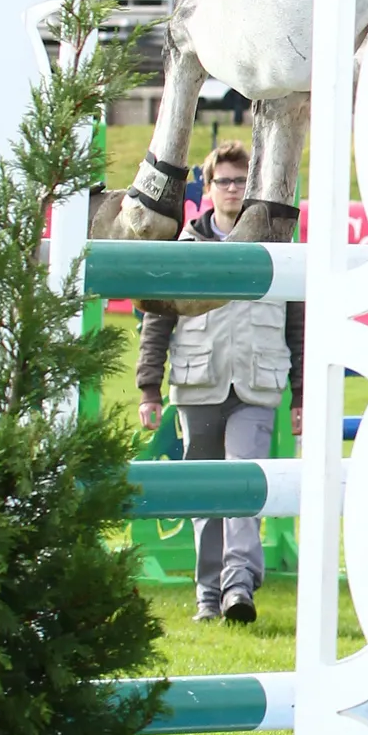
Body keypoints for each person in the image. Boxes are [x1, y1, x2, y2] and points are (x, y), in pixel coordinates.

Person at [136, 140, 305, 625]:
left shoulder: (277, 250)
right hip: (198, 382)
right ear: (207, 189)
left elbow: (298, 323)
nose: (232, 189)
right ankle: (208, 596)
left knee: (243, 483)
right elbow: (156, 323)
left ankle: (238, 585)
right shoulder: (184, 250)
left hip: (257, 383)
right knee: (204, 494)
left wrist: (303, 394)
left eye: (240, 181)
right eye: (223, 181)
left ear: (250, 189)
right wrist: (149, 388)